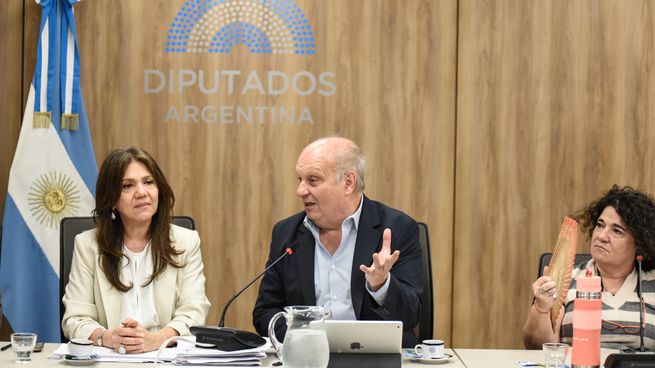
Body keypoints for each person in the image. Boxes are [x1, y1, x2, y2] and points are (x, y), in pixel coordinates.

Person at [252, 137, 423, 347]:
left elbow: (410, 317)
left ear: (348, 183)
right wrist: (304, 337)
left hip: (375, 358)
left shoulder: (397, 229)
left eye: (313, 180)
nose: (301, 190)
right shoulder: (287, 233)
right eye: (300, 179)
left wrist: (381, 285)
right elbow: (264, 313)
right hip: (308, 359)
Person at [62, 147, 210, 353]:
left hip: (166, 357)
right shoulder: (88, 245)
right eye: (127, 186)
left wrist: (157, 339)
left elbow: (194, 312)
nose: (142, 192)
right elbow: (75, 319)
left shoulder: (185, 242)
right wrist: (109, 338)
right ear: (112, 200)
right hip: (111, 357)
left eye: (148, 182)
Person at [523, 185, 655, 350]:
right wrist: (541, 307)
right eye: (600, 225)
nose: (601, 236)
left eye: (617, 231)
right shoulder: (567, 278)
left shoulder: (651, 282)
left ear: (640, 243)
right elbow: (537, 346)